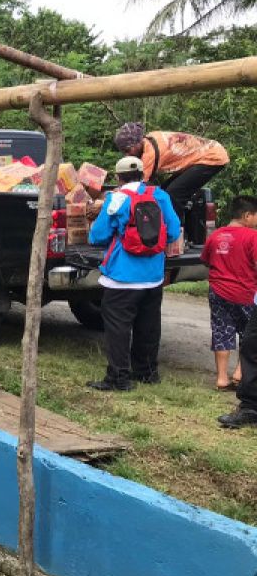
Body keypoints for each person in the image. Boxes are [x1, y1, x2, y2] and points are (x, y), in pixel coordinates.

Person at [86, 156, 182, 391]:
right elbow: (172, 230)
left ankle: (118, 378)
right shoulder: (160, 195)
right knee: (149, 325)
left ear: (118, 177)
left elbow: (97, 236)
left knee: (118, 328)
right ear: (143, 174)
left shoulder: (116, 199)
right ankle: (147, 372)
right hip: (153, 275)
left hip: (122, 277)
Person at [113, 122, 229, 219]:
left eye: (128, 150)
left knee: (173, 195)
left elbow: (138, 187)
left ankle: (177, 234)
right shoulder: (150, 138)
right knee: (164, 192)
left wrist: (117, 194)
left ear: (137, 143)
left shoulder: (150, 154)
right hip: (196, 157)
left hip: (212, 157)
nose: (126, 154)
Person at [200, 196, 257, 391]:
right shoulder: (253, 237)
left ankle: (222, 379)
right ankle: (240, 374)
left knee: (221, 332)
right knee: (248, 335)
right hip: (246, 294)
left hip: (218, 292)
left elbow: (206, 260)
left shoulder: (216, 235)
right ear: (247, 215)